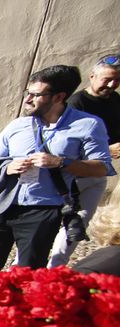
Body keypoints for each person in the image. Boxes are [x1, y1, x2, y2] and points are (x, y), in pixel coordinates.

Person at [0, 65, 114, 277]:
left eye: (35, 94)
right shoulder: (17, 125)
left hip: (42, 210)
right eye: (27, 93)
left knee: (28, 274)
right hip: (1, 205)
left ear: (59, 97)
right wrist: (8, 166)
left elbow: (102, 167)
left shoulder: (88, 125)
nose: (28, 99)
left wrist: (61, 162)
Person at [56, 55, 120, 267]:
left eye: (116, 80)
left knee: (77, 225)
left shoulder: (115, 101)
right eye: (107, 79)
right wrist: (107, 149)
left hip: (98, 173)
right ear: (92, 76)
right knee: (53, 223)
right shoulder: (77, 103)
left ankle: (55, 268)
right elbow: (68, 143)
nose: (111, 85)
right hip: (73, 174)